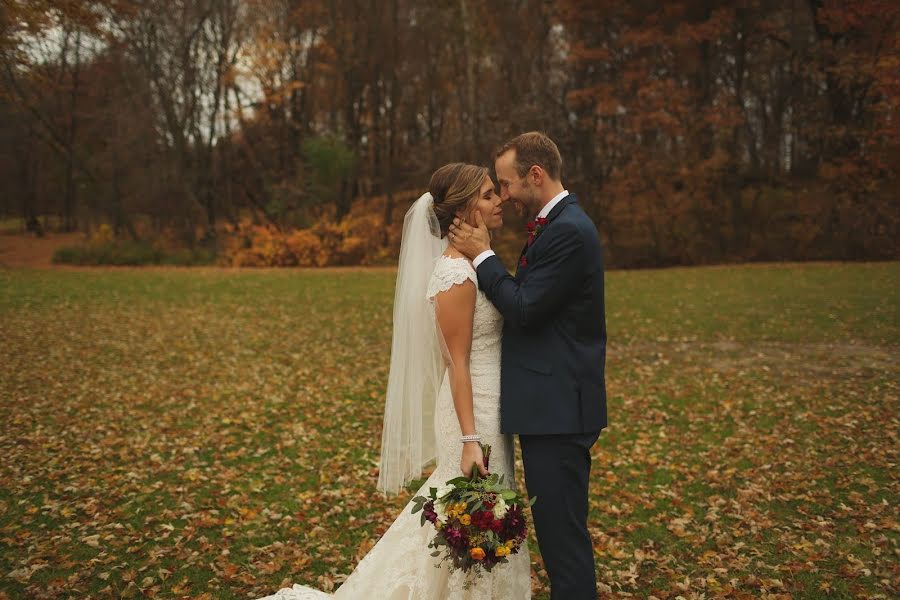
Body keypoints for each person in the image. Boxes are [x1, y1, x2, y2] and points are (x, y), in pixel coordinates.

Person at [257, 163, 531, 599]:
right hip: (471, 414)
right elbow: (455, 363)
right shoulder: (456, 276)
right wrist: (470, 438)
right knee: (471, 519)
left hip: (490, 408)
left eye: (496, 193)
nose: (499, 201)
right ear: (461, 210)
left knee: (476, 521)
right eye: (487, 195)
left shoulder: (478, 265)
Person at [448, 132, 607, 600]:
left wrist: (482, 255)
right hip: (550, 408)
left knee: (564, 544)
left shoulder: (569, 232)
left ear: (535, 175)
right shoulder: (557, 226)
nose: (504, 195)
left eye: (507, 183)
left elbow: (523, 309)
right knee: (560, 539)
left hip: (558, 412)